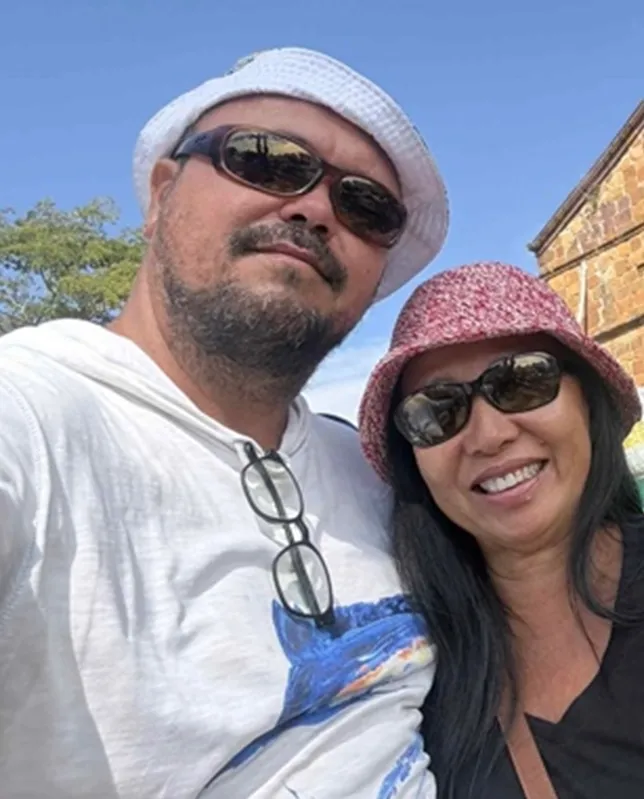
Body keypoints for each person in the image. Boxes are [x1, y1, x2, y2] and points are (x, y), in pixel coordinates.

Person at [0, 48, 448, 797]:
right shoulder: (33, 415)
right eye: (266, 160)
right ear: (161, 194)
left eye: (366, 206)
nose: (315, 209)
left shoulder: (374, 465)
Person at [358, 261, 644, 799]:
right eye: (436, 411)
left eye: (522, 381)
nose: (488, 436)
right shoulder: (406, 678)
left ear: (587, 401)